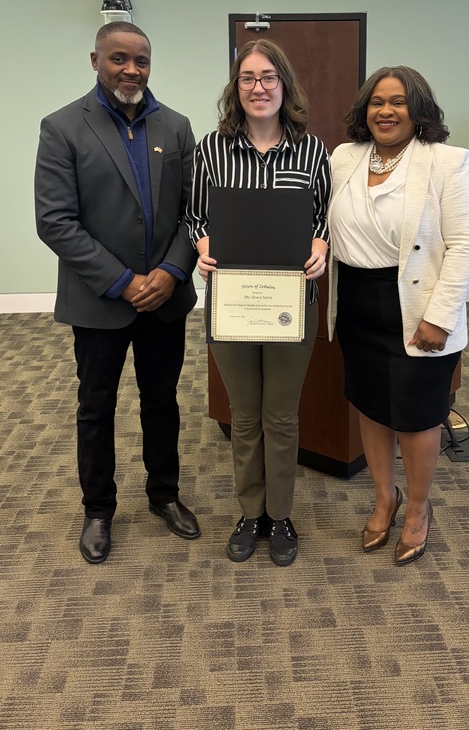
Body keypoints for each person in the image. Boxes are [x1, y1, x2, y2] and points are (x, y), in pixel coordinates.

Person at [35, 21, 200, 564]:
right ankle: (98, 509)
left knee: (162, 402)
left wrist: (172, 271)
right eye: (119, 59)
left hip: (165, 299)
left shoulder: (176, 127)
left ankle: (164, 495)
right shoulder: (62, 127)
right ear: (95, 60)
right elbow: (55, 222)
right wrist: (125, 281)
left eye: (142, 60)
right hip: (100, 300)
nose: (131, 70)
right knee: (96, 406)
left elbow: (191, 213)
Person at [328, 66, 469, 565]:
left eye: (398, 102)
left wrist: (439, 316)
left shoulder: (447, 162)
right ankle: (383, 497)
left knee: (417, 416)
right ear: (364, 109)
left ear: (418, 110)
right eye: (377, 102)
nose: (386, 111)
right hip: (355, 298)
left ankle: (417, 508)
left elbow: (464, 245)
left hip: (416, 306)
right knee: (371, 405)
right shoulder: (343, 157)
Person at [186, 40, 331, 567]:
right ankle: (251, 513)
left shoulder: (314, 152)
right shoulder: (210, 150)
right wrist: (201, 244)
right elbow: (195, 217)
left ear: (284, 84)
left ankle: (282, 513)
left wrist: (321, 245)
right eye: (247, 78)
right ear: (236, 88)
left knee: (282, 414)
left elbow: (324, 218)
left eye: (268, 76)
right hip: (232, 301)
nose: (259, 86)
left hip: (292, 299)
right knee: (244, 415)